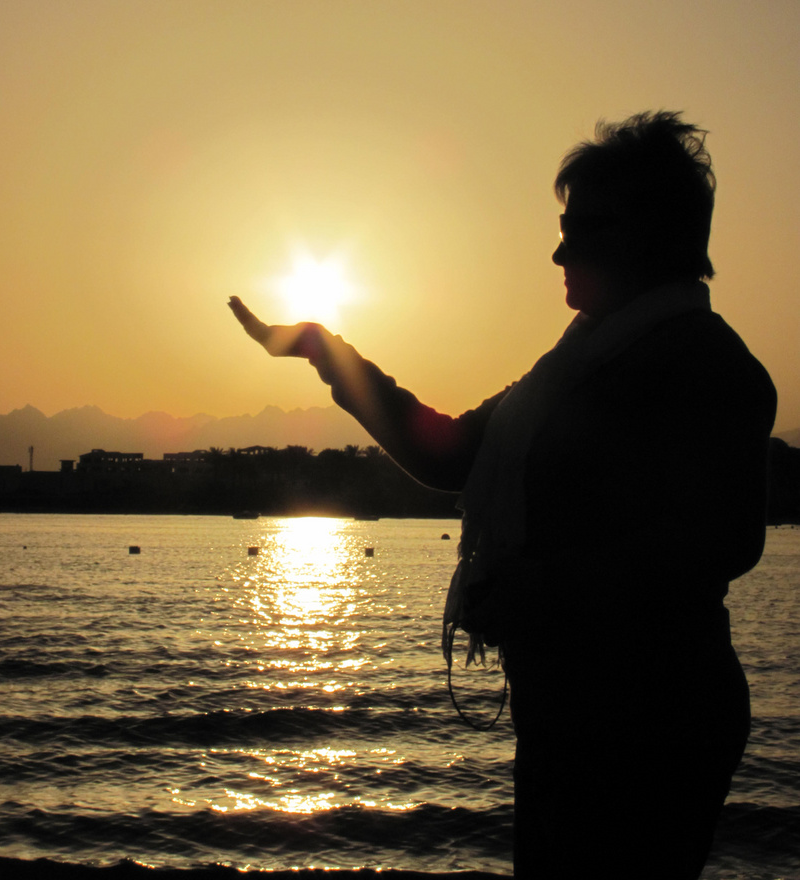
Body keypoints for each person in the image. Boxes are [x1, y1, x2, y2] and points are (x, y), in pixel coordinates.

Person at [227, 111, 776, 880]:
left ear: (648, 234)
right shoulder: (569, 370)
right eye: (563, 224)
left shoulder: (708, 365)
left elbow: (722, 539)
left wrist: (541, 589)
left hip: (654, 723)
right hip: (565, 712)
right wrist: (326, 350)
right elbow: (449, 453)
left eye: (583, 227)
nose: (559, 248)